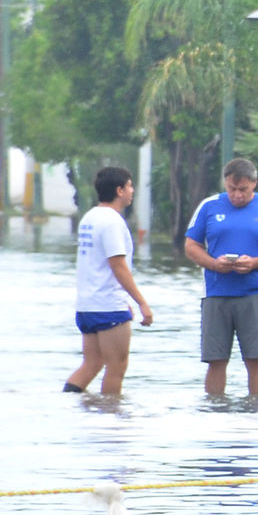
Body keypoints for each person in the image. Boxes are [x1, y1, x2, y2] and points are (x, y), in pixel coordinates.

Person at [184, 157, 258, 396]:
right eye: (231, 189)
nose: (236, 195)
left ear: (254, 184)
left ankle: (257, 411)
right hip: (216, 294)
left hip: (255, 294)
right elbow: (191, 246)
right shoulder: (209, 206)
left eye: (242, 190)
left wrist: (255, 263)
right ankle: (215, 409)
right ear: (225, 184)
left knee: (255, 359)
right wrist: (214, 264)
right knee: (216, 360)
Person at [66, 165, 154, 395]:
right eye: (129, 186)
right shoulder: (112, 222)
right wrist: (141, 302)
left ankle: (68, 407)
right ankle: (110, 422)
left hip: (87, 306)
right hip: (108, 307)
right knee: (117, 367)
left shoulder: (90, 217)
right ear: (119, 190)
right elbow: (118, 266)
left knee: (92, 364)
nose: (132, 190)